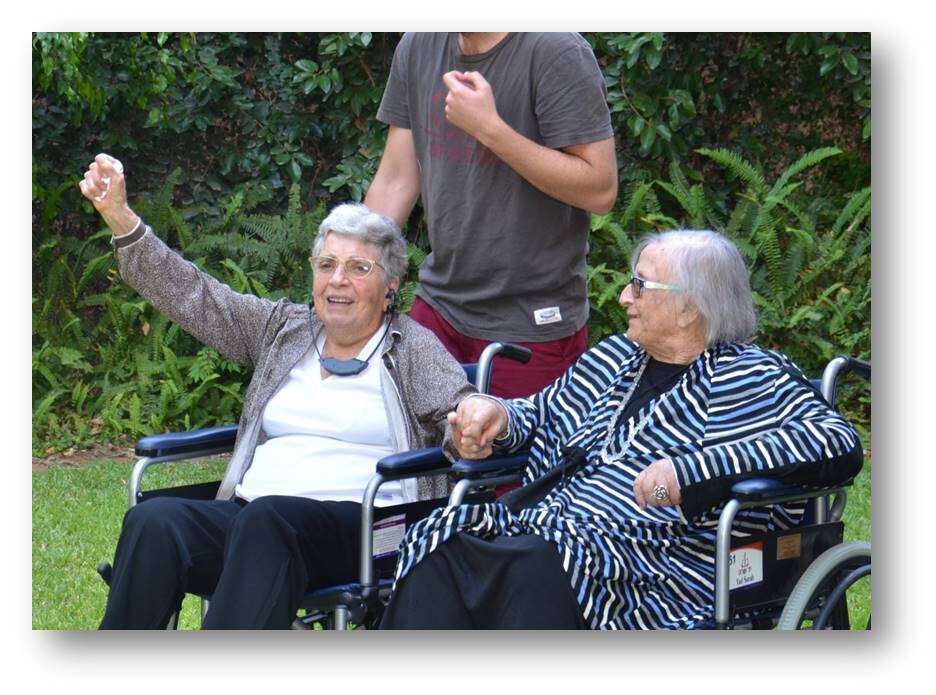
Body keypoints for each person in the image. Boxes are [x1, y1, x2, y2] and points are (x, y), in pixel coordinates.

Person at [379, 230, 864, 629]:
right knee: (440, 540)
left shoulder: (752, 376)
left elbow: (835, 442)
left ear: (689, 307)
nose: (623, 297)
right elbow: (540, 414)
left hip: (658, 563)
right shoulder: (613, 358)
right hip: (548, 529)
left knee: (535, 565)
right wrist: (498, 416)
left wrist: (693, 472)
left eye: (640, 286)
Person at [78, 153, 475, 629]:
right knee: (155, 522)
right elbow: (197, 298)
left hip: (367, 530)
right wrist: (121, 219)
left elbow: (461, 410)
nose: (338, 279)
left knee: (269, 519)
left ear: (390, 287)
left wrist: (469, 428)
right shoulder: (284, 330)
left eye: (358, 268)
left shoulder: (411, 346)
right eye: (327, 264)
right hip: (253, 519)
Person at [365, 32, 618, 398]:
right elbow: (396, 179)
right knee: (406, 431)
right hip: (439, 305)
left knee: (515, 438)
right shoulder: (419, 44)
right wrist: (357, 267)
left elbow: (600, 190)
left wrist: (489, 129)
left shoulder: (557, 50)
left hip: (531, 324)